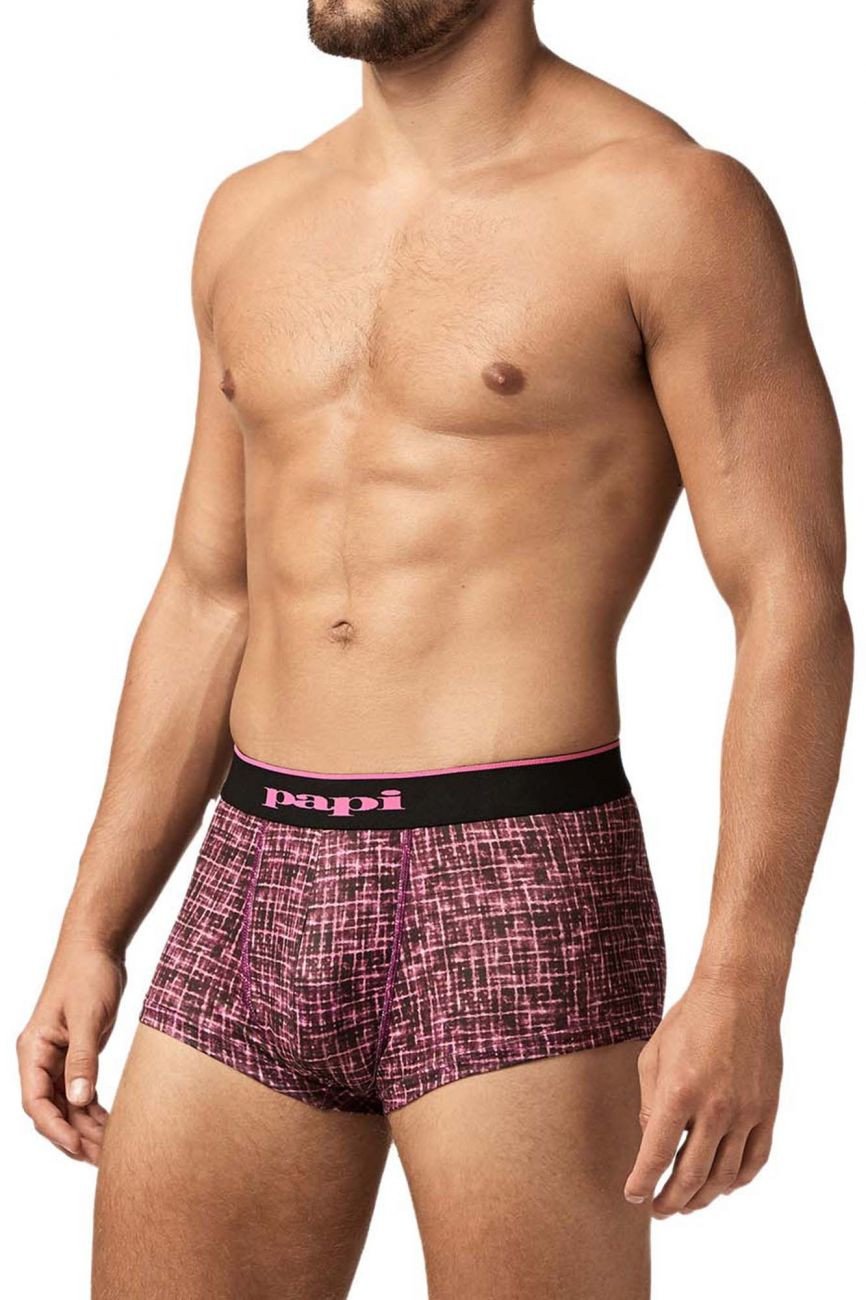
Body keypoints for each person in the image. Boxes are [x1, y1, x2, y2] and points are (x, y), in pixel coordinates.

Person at [17, 2, 853, 1296]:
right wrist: (92, 922)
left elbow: (790, 595)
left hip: (514, 867)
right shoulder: (252, 214)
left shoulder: (666, 204)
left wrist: (744, 977)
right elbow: (207, 593)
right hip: (256, 871)